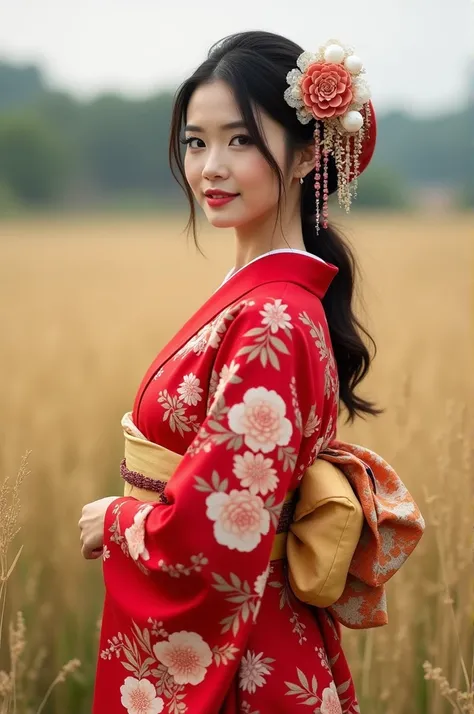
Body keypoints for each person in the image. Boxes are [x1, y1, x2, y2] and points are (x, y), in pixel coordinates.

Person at [78, 31, 424, 713]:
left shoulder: (273, 319)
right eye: (195, 141)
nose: (210, 166)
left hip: (246, 655)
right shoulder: (266, 303)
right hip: (251, 633)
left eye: (239, 140)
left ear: (305, 157)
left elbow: (226, 522)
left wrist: (120, 523)